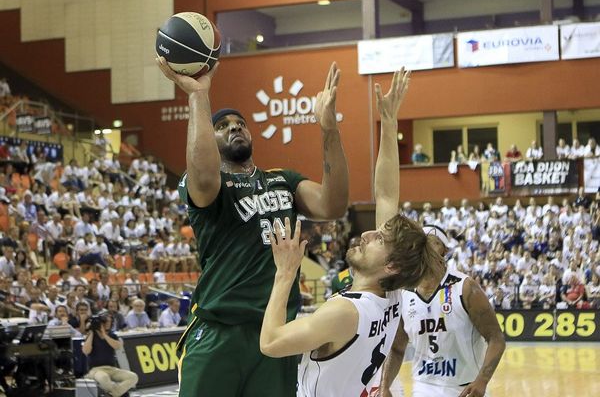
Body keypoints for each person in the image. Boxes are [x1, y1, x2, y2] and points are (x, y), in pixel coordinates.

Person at [157, 55, 349, 397]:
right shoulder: (207, 185)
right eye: (223, 125)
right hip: (219, 329)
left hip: (274, 334)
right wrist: (199, 95)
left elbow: (333, 205)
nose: (235, 127)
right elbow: (203, 173)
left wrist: (329, 129)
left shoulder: (283, 181)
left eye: (240, 123)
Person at [260, 70, 443, 397]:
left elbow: (271, 343)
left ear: (391, 266)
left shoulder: (345, 311)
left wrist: (285, 272)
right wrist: (389, 123)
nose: (369, 234)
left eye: (380, 240)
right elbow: (386, 194)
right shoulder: (390, 294)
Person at [380, 225, 506, 397]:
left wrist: (482, 381)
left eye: (432, 243)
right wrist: (385, 386)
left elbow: (496, 338)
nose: (424, 249)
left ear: (444, 251)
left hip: (466, 388)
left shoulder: (465, 288)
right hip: (424, 386)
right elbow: (397, 348)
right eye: (421, 245)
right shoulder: (405, 294)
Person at [82, 314, 138, 397]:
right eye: (105, 321)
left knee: (133, 377)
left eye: (109, 321)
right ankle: (117, 393)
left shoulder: (112, 335)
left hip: (111, 368)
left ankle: (112, 394)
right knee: (104, 378)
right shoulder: (91, 336)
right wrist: (91, 332)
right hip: (95, 370)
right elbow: (86, 351)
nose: (107, 323)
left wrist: (104, 334)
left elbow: (117, 346)